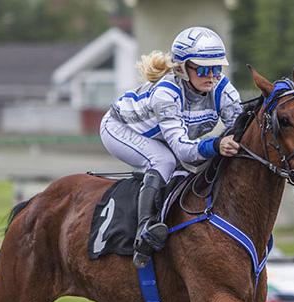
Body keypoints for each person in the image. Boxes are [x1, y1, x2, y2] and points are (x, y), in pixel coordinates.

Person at [100, 26, 242, 269]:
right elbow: (184, 150)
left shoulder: (221, 88)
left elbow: (240, 126)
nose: (212, 76)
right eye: (205, 69)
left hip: (164, 138)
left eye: (217, 68)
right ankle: (144, 230)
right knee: (164, 161)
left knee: (185, 173)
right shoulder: (167, 93)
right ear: (183, 68)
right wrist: (217, 144)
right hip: (120, 129)